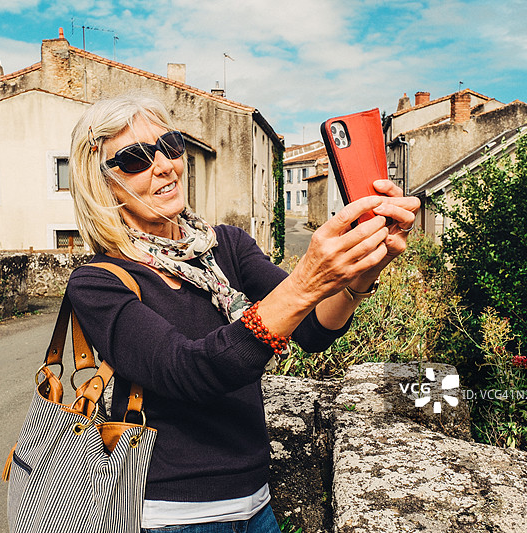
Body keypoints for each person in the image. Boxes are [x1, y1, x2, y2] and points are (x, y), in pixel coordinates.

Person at [66, 93, 419, 533]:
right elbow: (191, 371)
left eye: (170, 145)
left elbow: (311, 329)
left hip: (257, 504)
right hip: (170, 516)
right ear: (100, 182)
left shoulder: (226, 246)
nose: (164, 165)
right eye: (136, 158)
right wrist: (307, 277)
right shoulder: (99, 282)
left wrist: (362, 270)